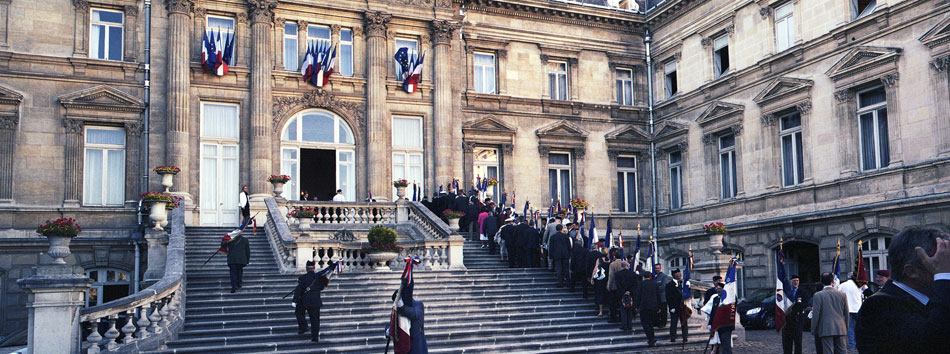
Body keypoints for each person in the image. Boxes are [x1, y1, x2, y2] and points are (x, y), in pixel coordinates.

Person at [855, 227, 950, 354]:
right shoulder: (878, 307)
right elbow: (935, 341)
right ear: (912, 271)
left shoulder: (931, 298)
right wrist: (943, 277)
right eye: (942, 263)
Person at [811, 272, 849, 354]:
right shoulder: (842, 294)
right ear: (833, 281)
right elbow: (846, 313)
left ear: (821, 282)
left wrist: (813, 329)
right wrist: (846, 326)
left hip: (826, 328)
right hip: (840, 327)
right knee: (842, 351)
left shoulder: (818, 295)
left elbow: (816, 314)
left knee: (828, 351)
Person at [389, 278, 428, 354]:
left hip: (417, 346)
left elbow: (415, 314)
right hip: (404, 346)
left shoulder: (418, 304)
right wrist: (388, 330)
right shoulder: (397, 309)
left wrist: (402, 307)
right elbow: (393, 322)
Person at [293, 261, 329, 342]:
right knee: (315, 320)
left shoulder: (302, 277)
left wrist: (294, 300)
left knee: (298, 312)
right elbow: (321, 288)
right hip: (316, 301)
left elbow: (299, 290)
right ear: (314, 268)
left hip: (304, 300)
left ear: (306, 268)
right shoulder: (319, 277)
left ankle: (303, 327)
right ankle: (315, 337)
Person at [783, 275, 811, 354]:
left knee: (798, 341)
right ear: (790, 281)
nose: (796, 282)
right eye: (794, 281)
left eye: (797, 281)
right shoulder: (786, 292)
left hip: (798, 319)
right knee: (787, 342)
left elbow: (806, 303)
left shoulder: (803, 292)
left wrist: (796, 304)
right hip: (787, 320)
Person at [635, 263, 661, 347]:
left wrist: (636, 306)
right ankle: (652, 338)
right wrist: (659, 306)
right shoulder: (655, 283)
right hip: (653, 306)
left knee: (645, 323)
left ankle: (651, 338)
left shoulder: (641, 284)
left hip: (644, 307)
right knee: (650, 323)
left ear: (643, 277)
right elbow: (658, 295)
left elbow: (638, 296)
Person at [837, 276, 865, 349]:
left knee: (850, 328)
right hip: (858, 308)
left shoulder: (842, 285)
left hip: (847, 308)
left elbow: (838, 294)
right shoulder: (859, 284)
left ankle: (852, 344)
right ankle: (860, 342)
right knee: (860, 327)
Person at [222, 227, 250, 293]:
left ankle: (234, 285)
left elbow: (223, 245)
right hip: (241, 259)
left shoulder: (229, 239)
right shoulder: (245, 240)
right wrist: (247, 260)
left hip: (232, 259)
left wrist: (225, 238)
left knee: (233, 272)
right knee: (239, 271)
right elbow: (247, 251)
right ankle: (239, 283)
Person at [615, 259, 637, 332]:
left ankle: (624, 325)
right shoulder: (633, 274)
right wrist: (629, 291)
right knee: (630, 310)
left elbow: (618, 285)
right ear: (627, 266)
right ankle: (629, 325)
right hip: (631, 294)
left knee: (623, 310)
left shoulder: (617, 274)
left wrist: (624, 292)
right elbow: (635, 284)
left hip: (621, 294)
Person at [666, 269, 688, 342]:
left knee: (684, 322)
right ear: (674, 275)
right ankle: (673, 337)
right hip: (675, 307)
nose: (679, 275)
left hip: (683, 306)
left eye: (680, 274)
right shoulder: (669, 285)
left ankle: (685, 337)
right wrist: (671, 307)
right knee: (674, 323)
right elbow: (668, 297)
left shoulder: (683, 283)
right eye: (677, 274)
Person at [606, 249, 624, 323]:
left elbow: (611, 276)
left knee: (613, 303)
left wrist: (608, 286)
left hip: (614, 286)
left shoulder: (612, 264)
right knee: (620, 303)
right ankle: (621, 316)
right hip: (622, 286)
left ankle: (613, 317)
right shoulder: (624, 263)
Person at [591, 248, 610, 317]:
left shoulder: (599, 260)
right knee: (608, 294)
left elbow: (595, 269)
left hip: (601, 279)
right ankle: (609, 310)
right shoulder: (609, 260)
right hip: (607, 278)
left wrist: (592, 278)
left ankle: (601, 311)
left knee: (600, 294)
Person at [653, 263, 671, 327]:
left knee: (663, 311)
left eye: (658, 268)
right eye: (656, 268)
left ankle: (663, 323)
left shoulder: (664, 276)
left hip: (662, 297)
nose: (657, 269)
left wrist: (655, 289)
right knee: (657, 311)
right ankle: (657, 322)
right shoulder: (654, 276)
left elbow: (663, 286)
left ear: (660, 268)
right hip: (656, 298)